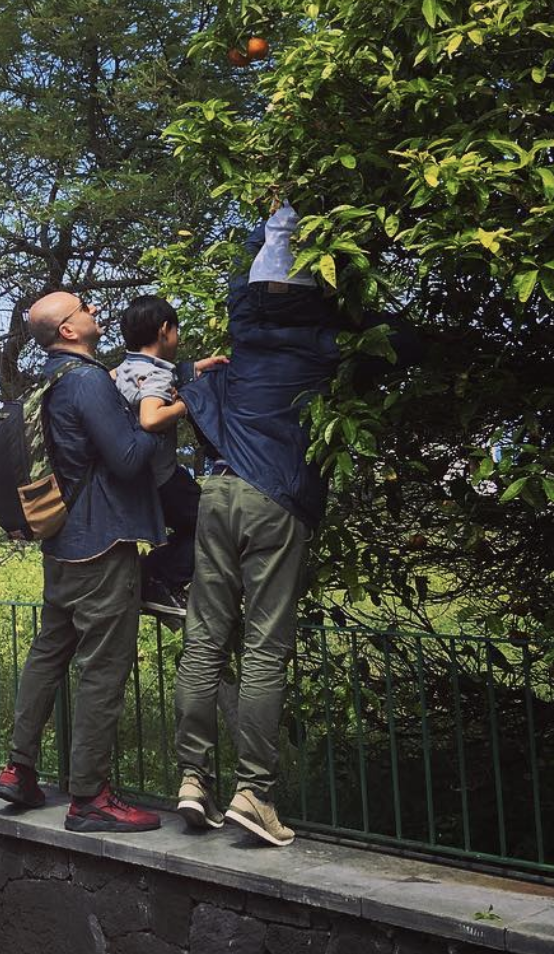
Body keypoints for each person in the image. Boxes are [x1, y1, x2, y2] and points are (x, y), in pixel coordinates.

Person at [173, 204, 422, 845]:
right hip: (276, 498)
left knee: (203, 640)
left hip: (217, 489)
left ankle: (192, 780)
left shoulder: (245, 324)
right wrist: (350, 276)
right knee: (263, 647)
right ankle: (254, 793)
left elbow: (241, 271)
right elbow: (406, 339)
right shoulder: (328, 341)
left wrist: (274, 222)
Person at [0, 290, 165, 832]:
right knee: (103, 670)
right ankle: (90, 797)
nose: (94, 310)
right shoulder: (88, 381)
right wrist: (169, 410)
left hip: (62, 541)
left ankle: (19, 770)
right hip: (103, 542)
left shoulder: (51, 382)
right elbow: (131, 459)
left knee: (49, 653)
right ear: (68, 330)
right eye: (84, 308)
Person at [112, 295, 226, 623]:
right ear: (165, 330)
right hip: (162, 477)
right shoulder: (158, 376)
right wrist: (185, 404)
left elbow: (145, 383)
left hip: (137, 476)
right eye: (176, 330)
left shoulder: (126, 368)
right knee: (212, 527)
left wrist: (195, 368)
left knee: (193, 525)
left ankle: (152, 574)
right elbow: (150, 418)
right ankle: (159, 578)